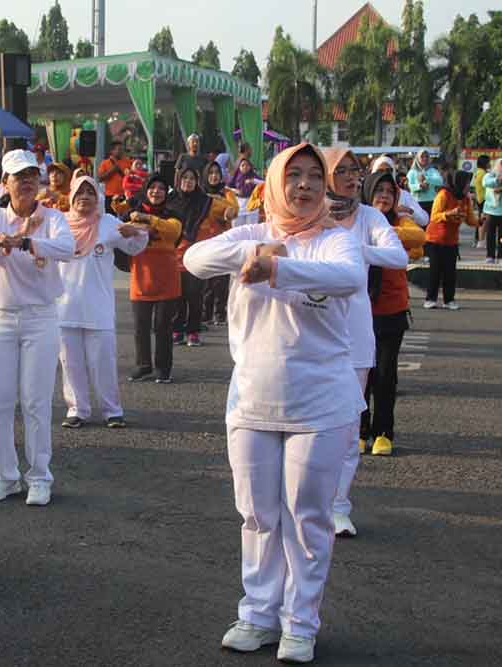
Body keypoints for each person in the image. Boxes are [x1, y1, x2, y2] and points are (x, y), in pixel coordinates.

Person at [183, 143, 366, 664]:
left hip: (320, 403)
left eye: (314, 176)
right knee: (258, 515)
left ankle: (300, 623)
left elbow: (349, 279)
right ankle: (258, 614)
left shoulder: (336, 240)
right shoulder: (252, 234)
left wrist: (277, 268)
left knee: (307, 518)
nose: (304, 186)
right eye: (294, 175)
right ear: (274, 184)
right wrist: (257, 252)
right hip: (252, 401)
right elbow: (194, 260)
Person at [0, 149, 75, 506]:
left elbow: (67, 248)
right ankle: (5, 475)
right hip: (0, 316)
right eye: (19, 176)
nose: (27, 181)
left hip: (40, 317)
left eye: (32, 174)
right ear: (5, 182)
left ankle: (40, 476)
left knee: (35, 401)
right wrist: (6, 242)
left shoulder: (53, 217)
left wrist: (27, 241)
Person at [321, 148, 409, 538]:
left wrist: (354, 249)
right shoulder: (308, 213)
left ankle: (339, 505)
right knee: (308, 423)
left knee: (347, 424)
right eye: (340, 170)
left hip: (356, 331)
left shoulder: (370, 217)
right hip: (310, 330)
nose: (351, 176)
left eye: (354, 170)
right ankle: (306, 501)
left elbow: (398, 256)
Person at [57, 175, 148, 429]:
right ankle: (77, 409)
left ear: (98, 197)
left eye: (90, 192)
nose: (85, 197)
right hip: (65, 306)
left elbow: (136, 246)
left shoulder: (107, 223)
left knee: (104, 362)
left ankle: (112, 410)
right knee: (70, 363)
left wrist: (135, 232)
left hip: (99, 307)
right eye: (80, 192)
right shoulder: (60, 224)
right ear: (72, 196)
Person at [359, 171, 425, 461]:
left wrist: (381, 233)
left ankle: (383, 432)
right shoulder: (356, 220)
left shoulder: (399, 221)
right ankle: (360, 431)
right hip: (359, 310)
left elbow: (419, 236)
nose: (384, 196)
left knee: (385, 375)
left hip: (392, 309)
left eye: (389, 191)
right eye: (379, 190)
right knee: (361, 375)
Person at [112, 174, 183, 383]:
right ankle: (143, 365)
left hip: (167, 279)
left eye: (161, 188)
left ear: (166, 193)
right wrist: (138, 224)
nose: (156, 192)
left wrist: (147, 220)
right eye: (152, 187)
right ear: (145, 190)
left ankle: (163, 368)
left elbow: (173, 230)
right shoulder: (132, 215)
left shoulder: (173, 214)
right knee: (140, 327)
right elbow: (121, 231)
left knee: (163, 326)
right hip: (140, 278)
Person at [169, 166, 236, 346]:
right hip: (173, 256)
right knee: (177, 296)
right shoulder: (170, 200)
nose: (188, 182)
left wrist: (229, 212)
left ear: (197, 182)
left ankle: (193, 331)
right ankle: (177, 329)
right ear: (178, 180)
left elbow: (228, 209)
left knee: (194, 295)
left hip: (196, 256)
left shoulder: (206, 202)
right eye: (185, 178)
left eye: (192, 178)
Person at [424, 171, 479, 310]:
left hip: (452, 241)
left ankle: (449, 300)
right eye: (467, 183)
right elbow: (434, 216)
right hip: (435, 239)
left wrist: (480, 222)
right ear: (459, 183)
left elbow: (470, 219)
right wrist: (449, 214)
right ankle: (430, 299)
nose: (468, 186)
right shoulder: (443, 194)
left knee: (450, 272)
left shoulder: (466, 199)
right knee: (435, 271)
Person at [200, 161, 240, 326]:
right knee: (205, 278)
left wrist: (220, 202)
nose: (214, 176)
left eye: (217, 173)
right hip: (203, 239)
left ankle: (220, 313)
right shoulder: (200, 192)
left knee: (221, 278)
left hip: (223, 239)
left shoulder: (226, 192)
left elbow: (234, 210)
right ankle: (205, 313)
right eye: (211, 173)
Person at [370, 155, 429, 228]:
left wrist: (408, 210)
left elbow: (424, 220)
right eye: (380, 171)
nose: (384, 174)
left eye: (388, 170)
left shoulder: (403, 195)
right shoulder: (367, 195)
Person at [98, 140, 132, 212]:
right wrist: (112, 171)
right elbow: (100, 178)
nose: (121, 152)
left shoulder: (128, 162)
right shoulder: (105, 163)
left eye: (122, 149)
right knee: (110, 216)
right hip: (110, 196)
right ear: (112, 151)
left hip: (124, 195)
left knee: (124, 216)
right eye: (119, 149)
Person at [407, 149, 444, 215]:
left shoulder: (433, 170)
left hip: (432, 202)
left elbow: (440, 181)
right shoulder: (412, 172)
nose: (425, 158)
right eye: (422, 156)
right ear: (417, 158)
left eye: (426, 156)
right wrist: (419, 186)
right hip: (417, 203)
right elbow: (409, 186)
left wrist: (427, 178)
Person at [471, 155, 490, 247]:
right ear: (485, 163)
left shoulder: (478, 172)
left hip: (480, 198)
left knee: (480, 220)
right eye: (488, 162)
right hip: (484, 199)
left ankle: (477, 240)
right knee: (483, 221)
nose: (490, 164)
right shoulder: (483, 173)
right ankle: (479, 240)